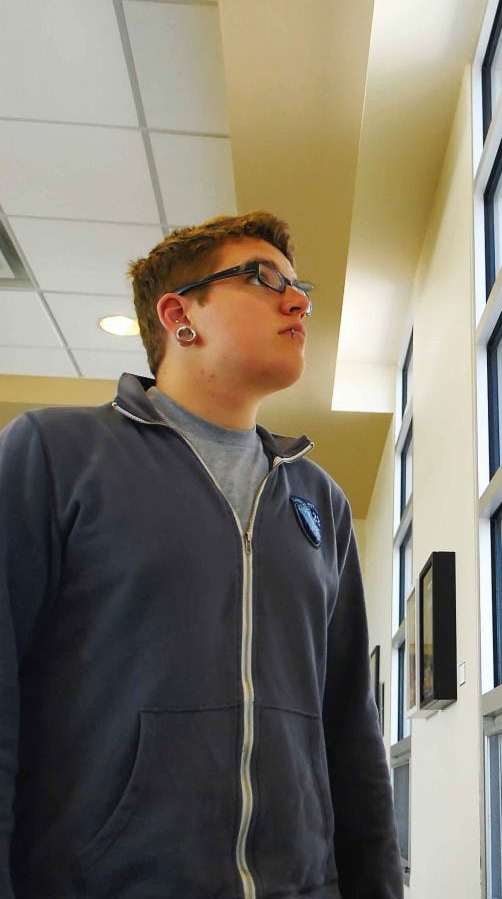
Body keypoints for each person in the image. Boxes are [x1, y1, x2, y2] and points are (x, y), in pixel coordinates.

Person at [0, 212, 403, 898]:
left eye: (297, 285)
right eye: (262, 278)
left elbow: (349, 724)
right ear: (179, 314)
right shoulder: (55, 453)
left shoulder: (319, 499)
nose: (298, 299)